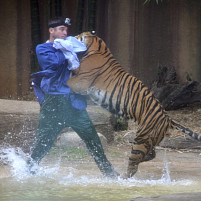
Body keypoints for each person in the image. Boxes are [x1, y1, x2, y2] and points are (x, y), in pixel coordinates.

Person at [28, 17, 118, 178]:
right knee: (44, 142)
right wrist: (67, 49)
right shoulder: (42, 48)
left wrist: (72, 49)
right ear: (51, 30)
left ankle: (110, 174)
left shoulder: (71, 47)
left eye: (66, 30)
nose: (65, 33)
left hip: (74, 103)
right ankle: (28, 170)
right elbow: (53, 64)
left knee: (92, 139)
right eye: (61, 29)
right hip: (54, 103)